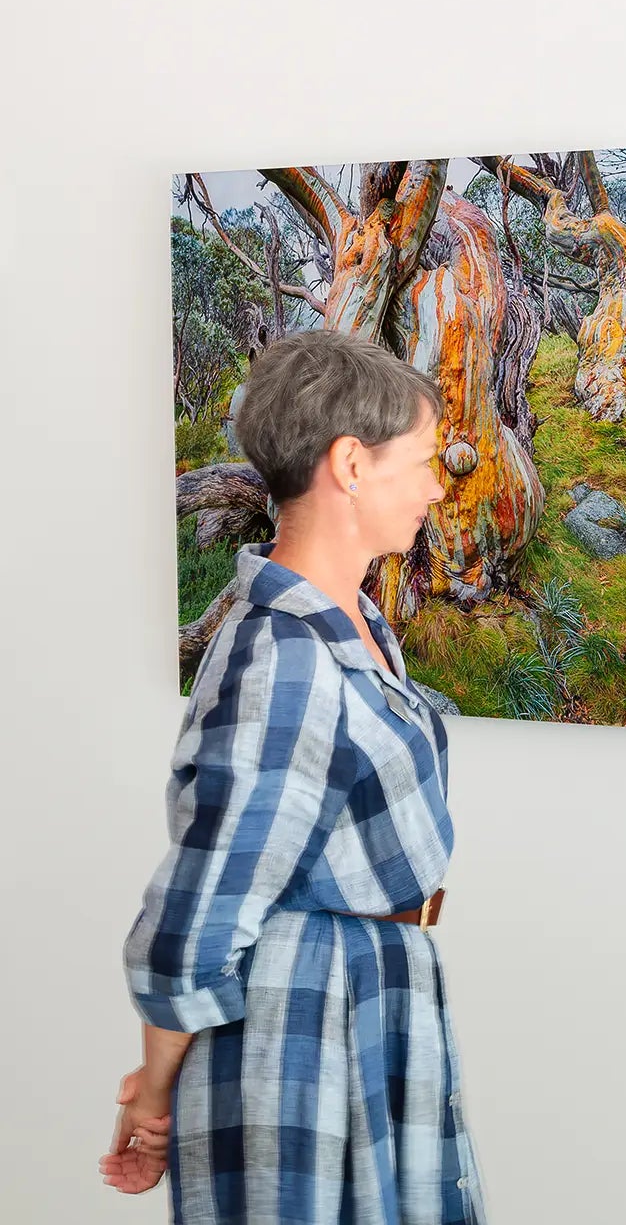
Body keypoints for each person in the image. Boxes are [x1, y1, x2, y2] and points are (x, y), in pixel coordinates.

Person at [102, 329, 488, 1223]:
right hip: (302, 1033)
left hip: (365, 996)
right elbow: (197, 919)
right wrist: (155, 1094)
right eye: (425, 461)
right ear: (351, 463)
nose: (437, 485)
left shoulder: (350, 621)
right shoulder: (285, 662)